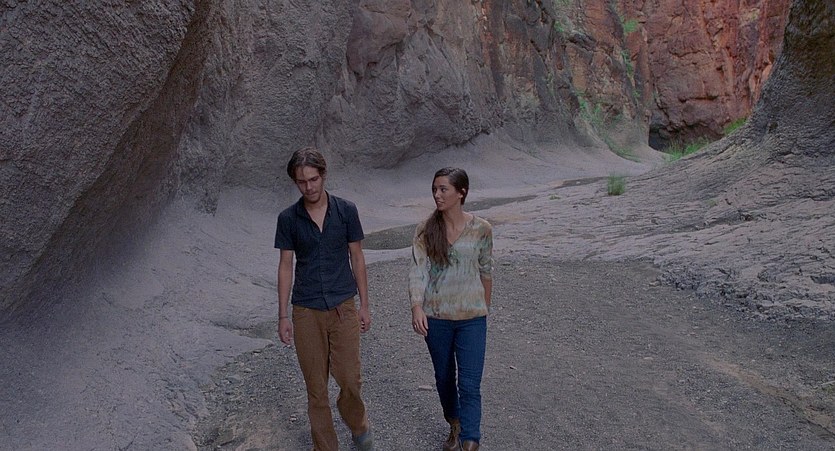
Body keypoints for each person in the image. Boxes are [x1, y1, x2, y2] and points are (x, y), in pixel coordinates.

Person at [275, 147, 374, 451]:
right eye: (302, 182)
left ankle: (358, 425)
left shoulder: (346, 211)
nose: (309, 187)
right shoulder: (288, 219)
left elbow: (357, 257)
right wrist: (283, 315)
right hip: (306, 309)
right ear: (295, 182)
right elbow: (286, 265)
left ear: (323, 175)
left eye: (313, 179)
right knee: (316, 388)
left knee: (349, 379)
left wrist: (364, 305)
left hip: (343, 305)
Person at [409, 167, 493, 451]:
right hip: (437, 317)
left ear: (461, 192)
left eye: (443, 189)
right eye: (435, 189)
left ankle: (470, 439)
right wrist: (417, 306)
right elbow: (418, 270)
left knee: (469, 383)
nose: (437, 194)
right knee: (444, 378)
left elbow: (486, 271)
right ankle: (454, 423)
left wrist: (483, 308)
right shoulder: (425, 229)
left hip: (472, 319)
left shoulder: (482, 229)